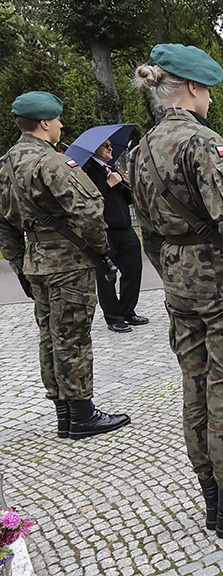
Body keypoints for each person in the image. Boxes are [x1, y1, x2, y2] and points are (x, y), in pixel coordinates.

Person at [130, 44, 223, 538]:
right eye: (210, 90)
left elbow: (146, 231)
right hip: (221, 285)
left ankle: (214, 498)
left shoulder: (141, 148)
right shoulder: (200, 143)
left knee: (195, 389)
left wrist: (171, 270)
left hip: (180, 286)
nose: (213, 101)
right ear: (192, 88)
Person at [0, 91, 130, 440]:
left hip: (35, 261)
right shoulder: (53, 162)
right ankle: (82, 416)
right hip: (69, 264)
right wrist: (101, 249)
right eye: (57, 120)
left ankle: (64, 413)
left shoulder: (6, 164)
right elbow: (89, 211)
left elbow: (5, 224)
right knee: (72, 338)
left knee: (50, 337)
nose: (60, 125)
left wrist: (18, 264)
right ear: (44, 123)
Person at [82, 138, 148, 333]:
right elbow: (87, 202)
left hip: (125, 229)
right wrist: (108, 184)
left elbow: (126, 199)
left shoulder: (111, 169)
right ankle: (114, 317)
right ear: (95, 149)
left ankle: (128, 310)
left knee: (133, 270)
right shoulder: (86, 171)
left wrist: (128, 184)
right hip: (104, 230)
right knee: (106, 277)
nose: (111, 148)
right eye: (106, 146)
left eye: (111, 145)